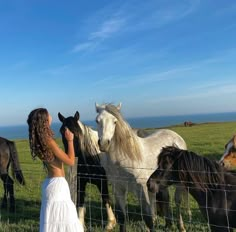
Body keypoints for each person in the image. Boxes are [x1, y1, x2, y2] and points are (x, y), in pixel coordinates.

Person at [27, 108, 84, 232]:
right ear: (45, 120)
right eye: (48, 114)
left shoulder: (39, 141)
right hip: (58, 186)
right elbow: (70, 161)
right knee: (67, 223)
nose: (51, 115)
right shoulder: (49, 141)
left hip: (49, 184)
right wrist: (70, 141)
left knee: (53, 223)